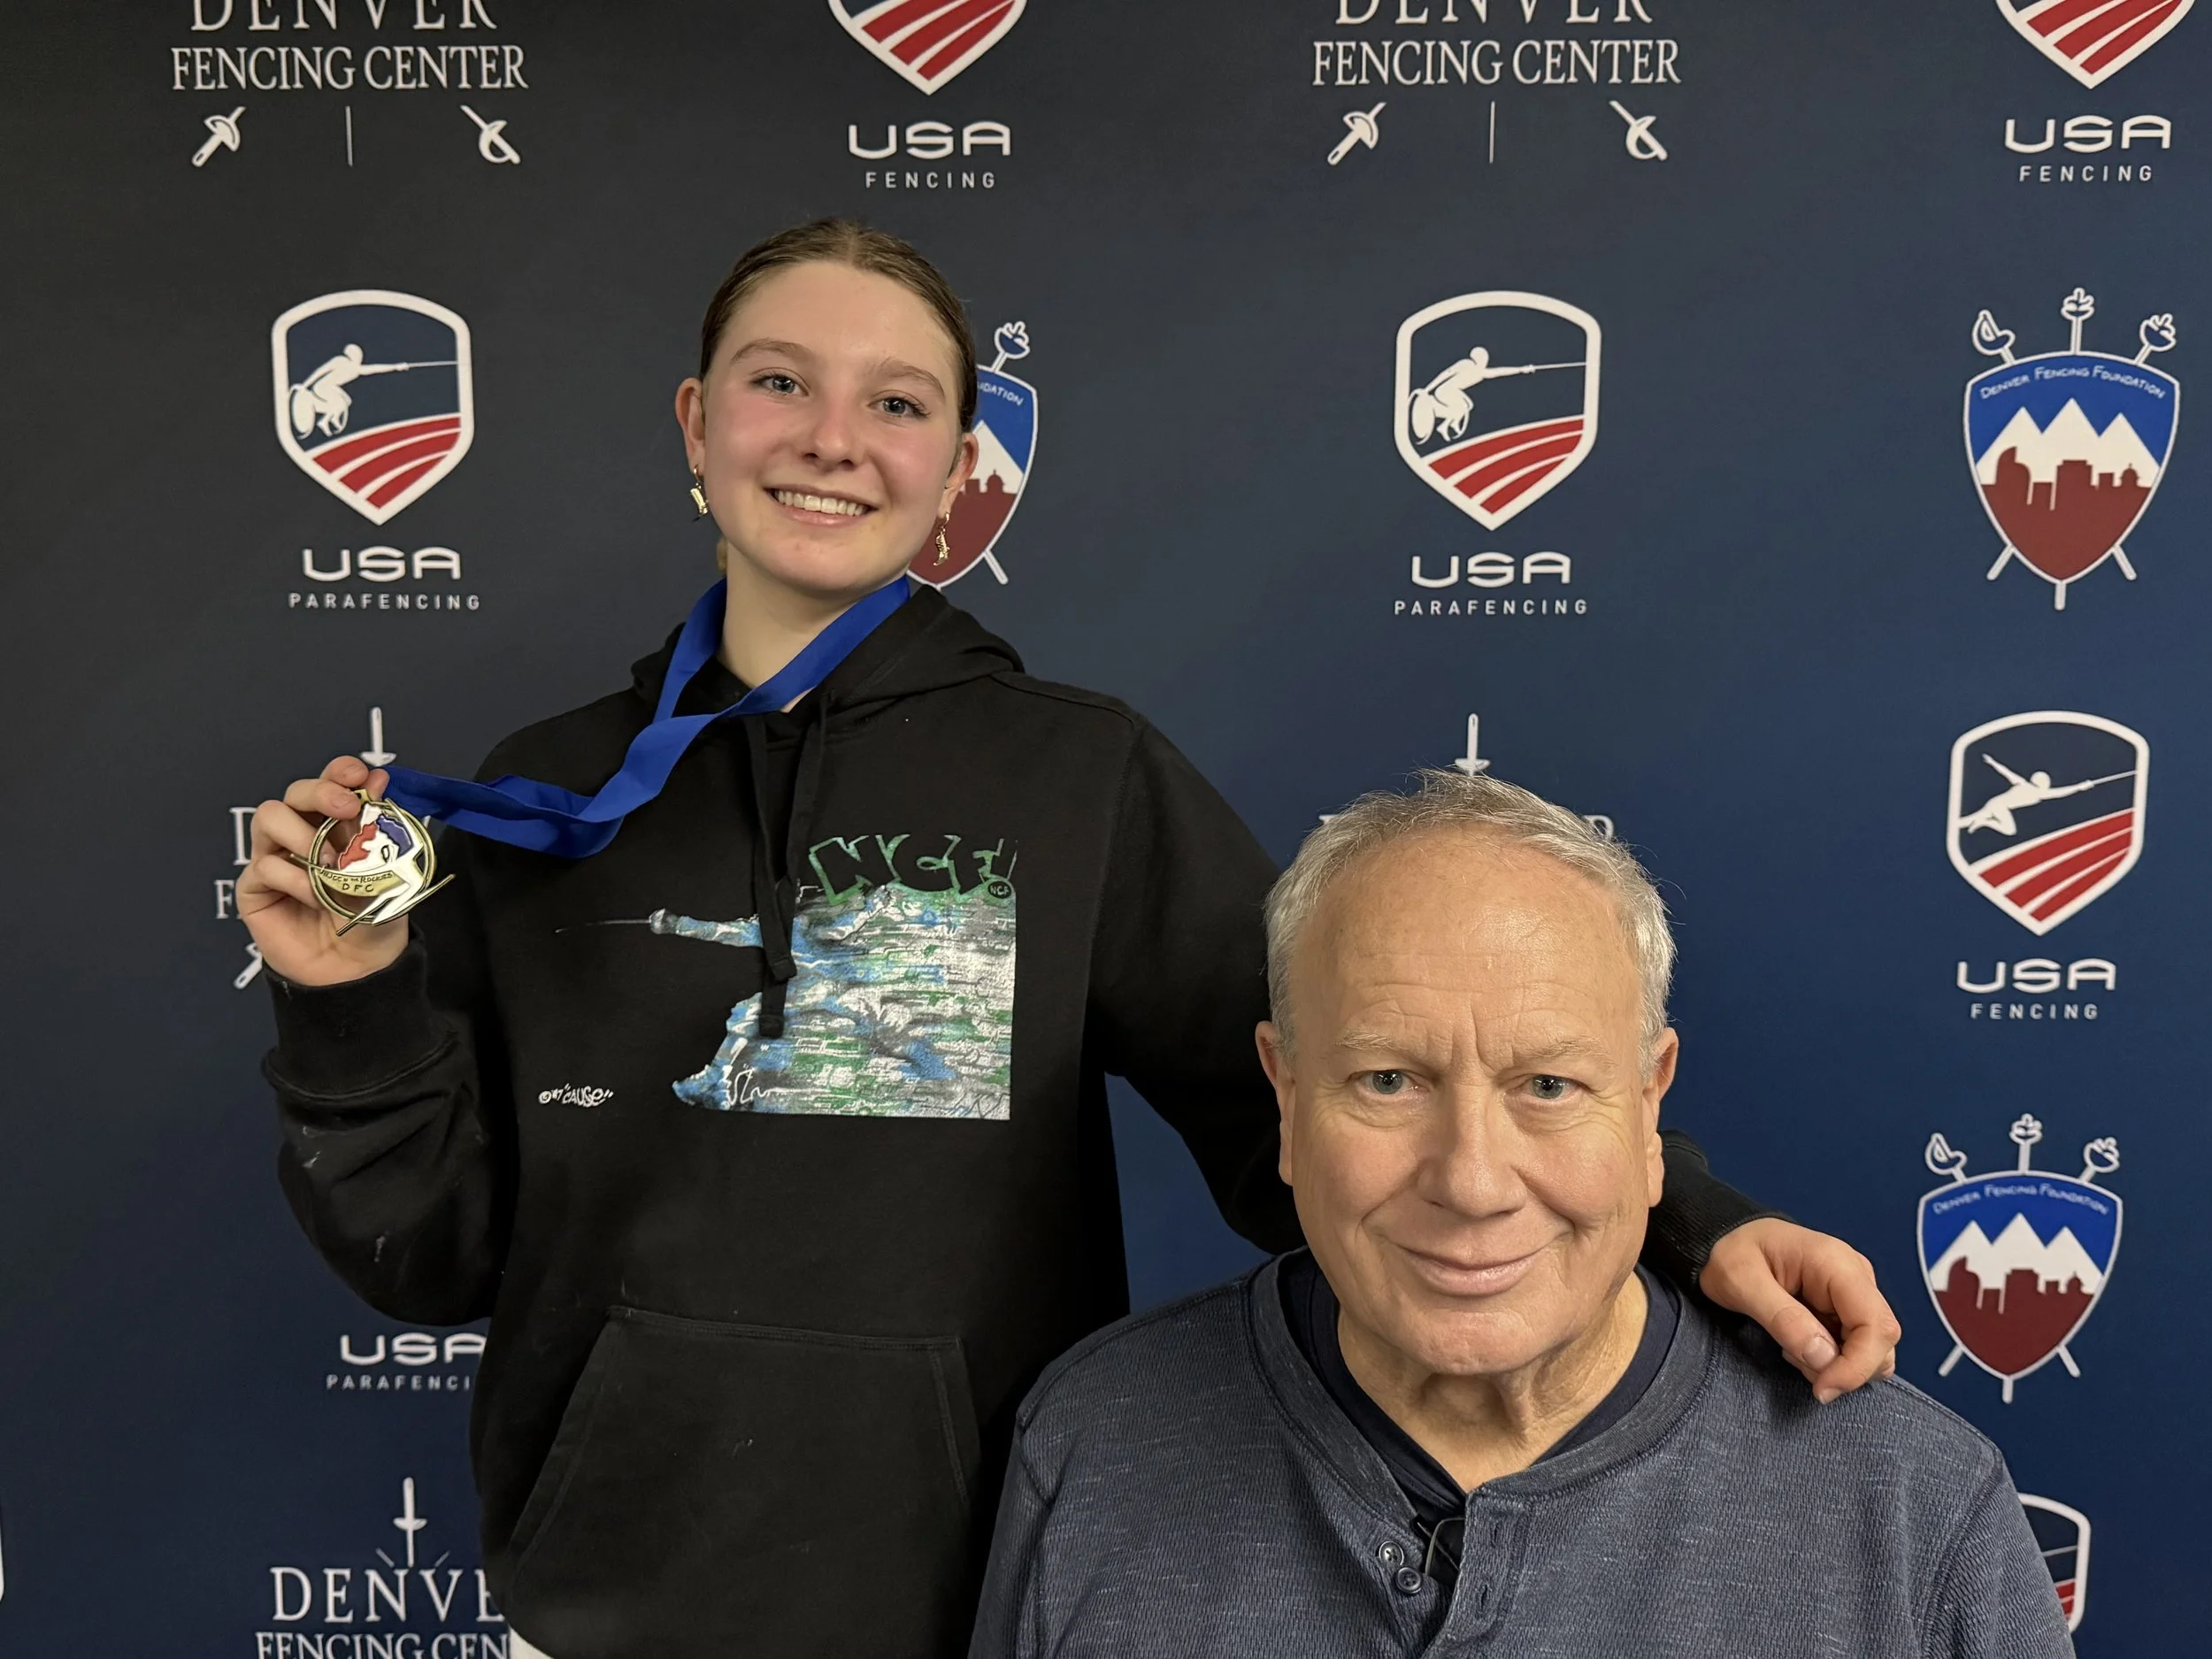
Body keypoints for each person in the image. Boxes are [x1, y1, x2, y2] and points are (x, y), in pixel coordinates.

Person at [238, 220, 1901, 1659]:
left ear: (962, 469)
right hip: (596, 1605)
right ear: (695, 421)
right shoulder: (540, 798)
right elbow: (437, 1257)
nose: (833, 437)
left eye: (899, 402)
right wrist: (345, 1004)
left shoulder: (1078, 776)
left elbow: (1338, 1109)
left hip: (982, 1607)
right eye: (777, 381)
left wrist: (1696, 1220)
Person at [970, 772, 2069, 1659]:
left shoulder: (1910, 1509)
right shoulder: (1093, 1446)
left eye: (1548, 1087)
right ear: (1286, 1101)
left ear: (1649, 1109)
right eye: (1388, 1082)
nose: (1473, 1181)